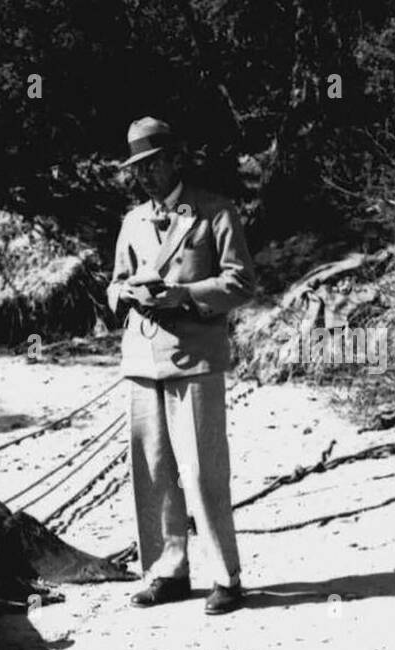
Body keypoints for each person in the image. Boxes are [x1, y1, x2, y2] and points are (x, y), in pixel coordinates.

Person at [106, 117, 256, 614]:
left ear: (176, 159)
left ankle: (225, 577)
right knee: (152, 473)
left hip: (194, 360)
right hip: (142, 360)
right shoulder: (131, 222)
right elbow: (114, 284)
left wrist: (184, 295)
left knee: (203, 472)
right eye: (136, 169)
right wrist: (123, 294)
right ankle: (168, 570)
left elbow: (240, 283)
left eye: (152, 165)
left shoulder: (216, 212)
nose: (144, 177)